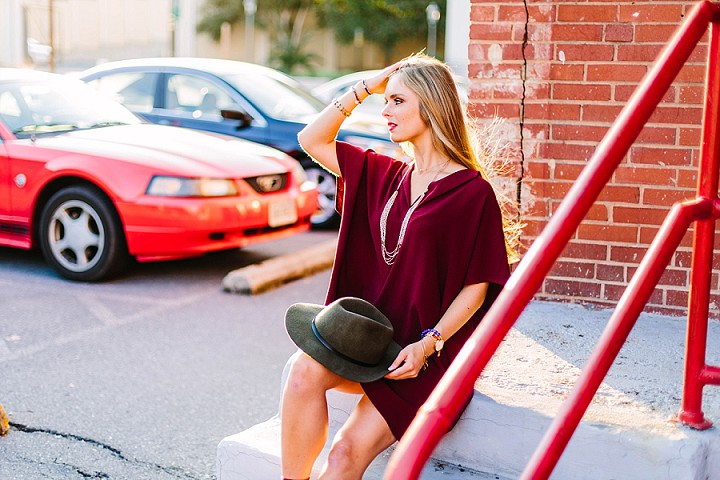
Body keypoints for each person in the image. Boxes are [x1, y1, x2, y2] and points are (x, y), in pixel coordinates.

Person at [280, 53, 515, 480]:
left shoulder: (471, 192)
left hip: (421, 356)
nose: (385, 111)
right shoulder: (383, 173)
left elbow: (476, 288)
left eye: (397, 101)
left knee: (343, 455)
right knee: (301, 372)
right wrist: (366, 86)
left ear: (431, 104)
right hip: (369, 342)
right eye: (384, 102)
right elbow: (312, 140)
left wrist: (429, 343)